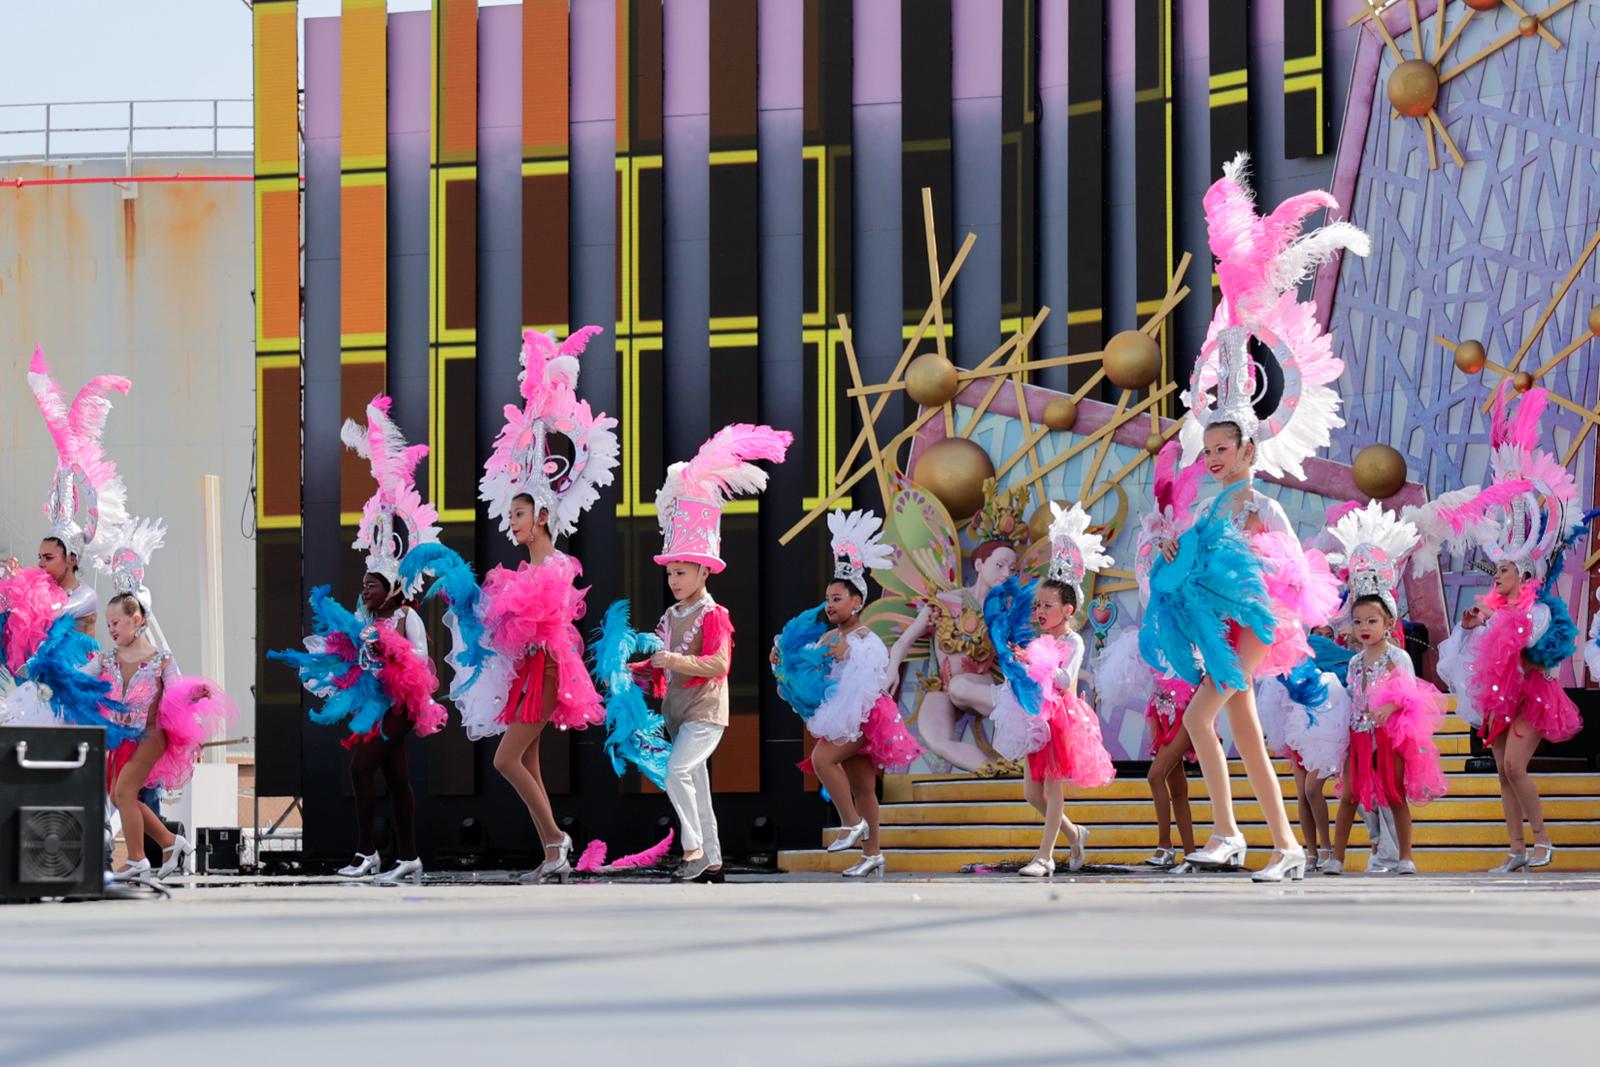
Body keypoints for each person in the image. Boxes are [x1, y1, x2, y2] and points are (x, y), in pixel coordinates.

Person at [1139, 153, 1366, 882]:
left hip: (1255, 627)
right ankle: (1284, 845)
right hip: (1230, 628)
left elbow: (1292, 569)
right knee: (1239, 729)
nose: (1209, 457)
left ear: (1247, 447)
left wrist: (1256, 595)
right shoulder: (1213, 505)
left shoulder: (1258, 501)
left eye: (1221, 447)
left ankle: (1235, 834)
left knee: (1202, 719)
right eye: (1205, 446)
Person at [272, 396, 449, 885]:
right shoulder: (364, 616)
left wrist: (392, 649)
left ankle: (368, 852)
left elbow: (423, 665)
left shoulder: (406, 616)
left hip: (402, 706)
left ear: (393, 587)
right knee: (394, 777)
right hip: (377, 704)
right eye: (364, 581)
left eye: (374, 582)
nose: (366, 588)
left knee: (359, 767)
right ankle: (407, 856)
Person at [1426, 384, 1587, 872]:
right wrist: (1474, 627)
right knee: (1501, 772)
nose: (1497, 574)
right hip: (1500, 696)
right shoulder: (1490, 608)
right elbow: (1463, 659)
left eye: (1504, 570)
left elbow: (1536, 647)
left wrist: (1498, 625)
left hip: (1532, 695)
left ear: (1523, 572)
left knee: (1515, 766)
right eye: (1495, 570)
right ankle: (1516, 851)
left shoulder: (1538, 608)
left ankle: (1542, 843)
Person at [636, 423, 792, 884]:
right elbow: (660, 668)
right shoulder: (668, 616)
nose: (674, 580)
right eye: (671, 573)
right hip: (679, 712)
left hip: (706, 713)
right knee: (696, 784)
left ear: (704, 571)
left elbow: (719, 665)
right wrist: (637, 672)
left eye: (682, 572)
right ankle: (714, 859)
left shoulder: (714, 614)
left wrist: (671, 662)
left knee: (676, 771)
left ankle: (693, 850)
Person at [772, 510, 922, 879]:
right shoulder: (826, 637)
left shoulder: (865, 638)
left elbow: (875, 672)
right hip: (846, 716)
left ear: (857, 602)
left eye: (837, 598)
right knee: (863, 785)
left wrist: (848, 652)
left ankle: (850, 824)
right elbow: (807, 669)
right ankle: (873, 854)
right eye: (827, 598)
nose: (830, 605)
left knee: (823, 760)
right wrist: (782, 657)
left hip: (866, 715)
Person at [93, 518, 234, 881]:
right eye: (107, 624)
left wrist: (195, 694)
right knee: (124, 795)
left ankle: (138, 859)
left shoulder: (160, 659)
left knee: (124, 792)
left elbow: (176, 690)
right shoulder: (107, 658)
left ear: (136, 619)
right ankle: (172, 842)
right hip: (120, 737)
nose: (110, 629)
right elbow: (80, 674)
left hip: (150, 736)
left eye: (116, 623)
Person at [982, 503, 1116, 877]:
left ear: (1068, 608)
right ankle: (1076, 835)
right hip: (1034, 716)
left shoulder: (1073, 641)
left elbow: (1062, 679)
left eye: (1047, 606)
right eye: (1037, 605)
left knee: (1054, 791)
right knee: (1031, 794)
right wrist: (1019, 662)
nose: (1039, 611)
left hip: (1060, 718)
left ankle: (1045, 857)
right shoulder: (1038, 638)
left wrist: (1037, 661)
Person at [1319, 502, 1449, 876]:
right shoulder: (1354, 662)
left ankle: (1405, 856)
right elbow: (1350, 696)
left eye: (1372, 620)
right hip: (1357, 734)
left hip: (1389, 736)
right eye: (1358, 620)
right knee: (1349, 795)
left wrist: (1389, 710)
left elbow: (1411, 696)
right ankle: (1337, 857)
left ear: (1388, 622)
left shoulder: (1397, 658)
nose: (1363, 627)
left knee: (1393, 794)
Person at [884, 486, 1028, 774]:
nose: (1005, 574)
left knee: (964, 687)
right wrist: (891, 672)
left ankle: (1028, 734)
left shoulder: (1006, 613)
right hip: (945, 689)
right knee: (933, 733)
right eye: (999, 565)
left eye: (1011, 569)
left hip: (983, 687)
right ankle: (993, 769)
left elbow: (1025, 655)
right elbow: (904, 641)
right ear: (979, 563)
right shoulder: (945, 602)